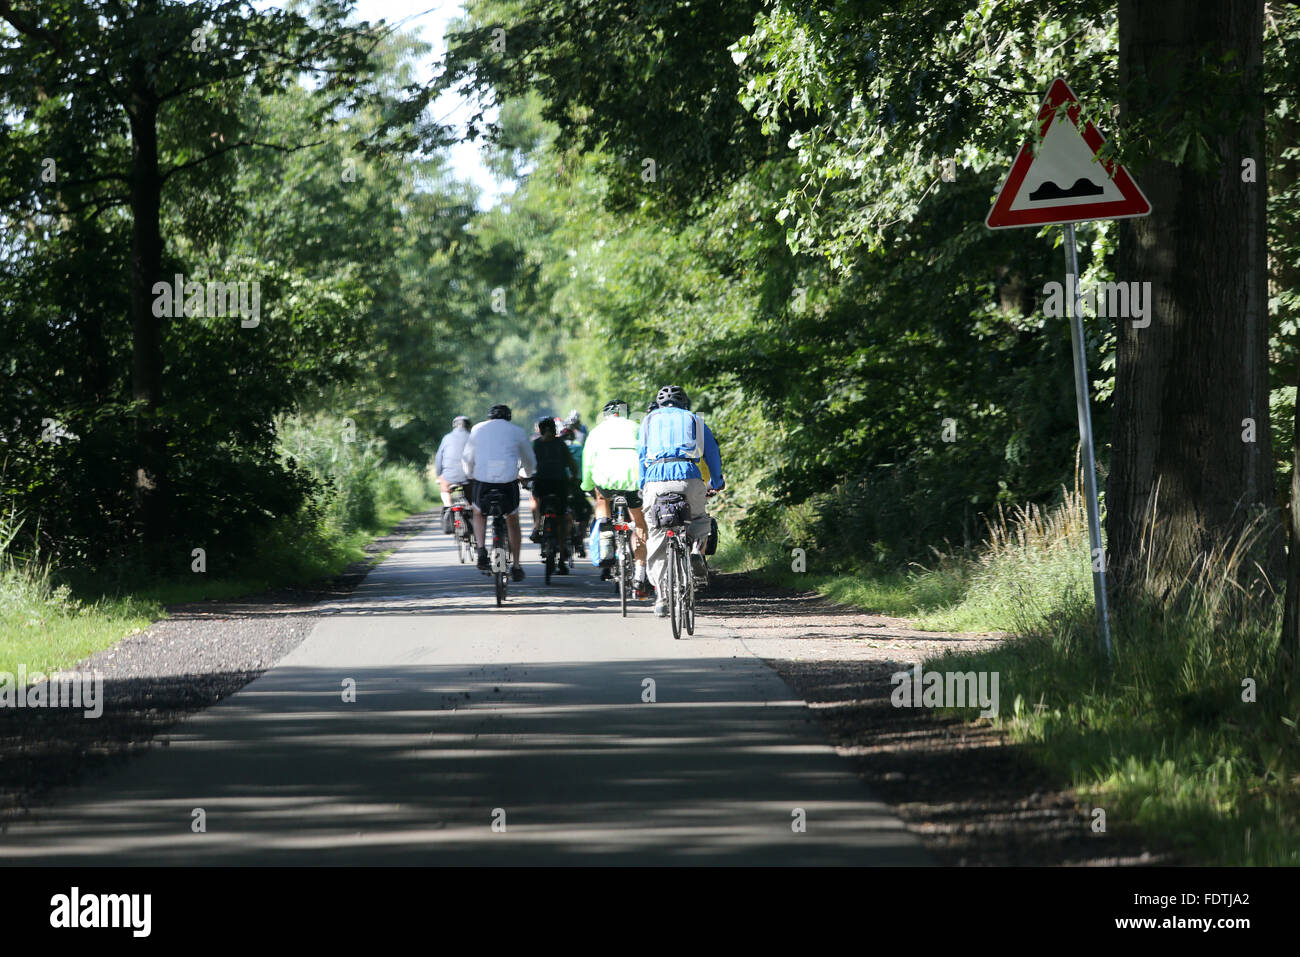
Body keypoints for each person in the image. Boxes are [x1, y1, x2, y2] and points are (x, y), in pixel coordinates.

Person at [638, 385, 724, 618]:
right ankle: (696, 550)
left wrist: (642, 483)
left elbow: (641, 455)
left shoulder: (648, 420)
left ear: (659, 404)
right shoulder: (695, 419)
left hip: (655, 479)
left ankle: (661, 598)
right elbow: (711, 452)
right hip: (688, 476)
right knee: (698, 520)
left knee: (656, 532)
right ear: (684, 403)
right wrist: (717, 481)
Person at [582, 399, 651, 596]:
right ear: (626, 413)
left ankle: (605, 531)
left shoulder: (596, 431)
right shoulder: (637, 427)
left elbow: (588, 462)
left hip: (607, 482)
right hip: (633, 482)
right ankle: (640, 574)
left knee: (601, 499)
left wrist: (587, 486)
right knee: (639, 523)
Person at [462, 404, 536, 581]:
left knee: (479, 513)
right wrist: (526, 474)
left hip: (483, 482)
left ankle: (481, 550)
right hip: (508, 483)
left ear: (490, 417)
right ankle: (516, 566)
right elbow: (529, 460)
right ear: (508, 418)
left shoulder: (478, 429)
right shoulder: (517, 431)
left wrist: (470, 474)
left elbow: (467, 458)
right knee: (512, 519)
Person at [528, 415, 581, 571]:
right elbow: (571, 463)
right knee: (562, 517)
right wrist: (574, 477)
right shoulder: (560, 443)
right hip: (560, 483)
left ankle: (537, 526)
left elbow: (528, 463)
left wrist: (526, 478)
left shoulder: (536, 444)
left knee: (535, 499)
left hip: (541, 483)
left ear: (540, 430)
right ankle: (562, 554)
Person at [433, 415, 473, 533]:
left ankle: (448, 507)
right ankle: (471, 512)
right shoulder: (473, 437)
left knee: (445, 490)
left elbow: (439, 458)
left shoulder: (446, 438)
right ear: (468, 426)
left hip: (449, 476)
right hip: (469, 476)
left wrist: (439, 475)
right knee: (472, 497)